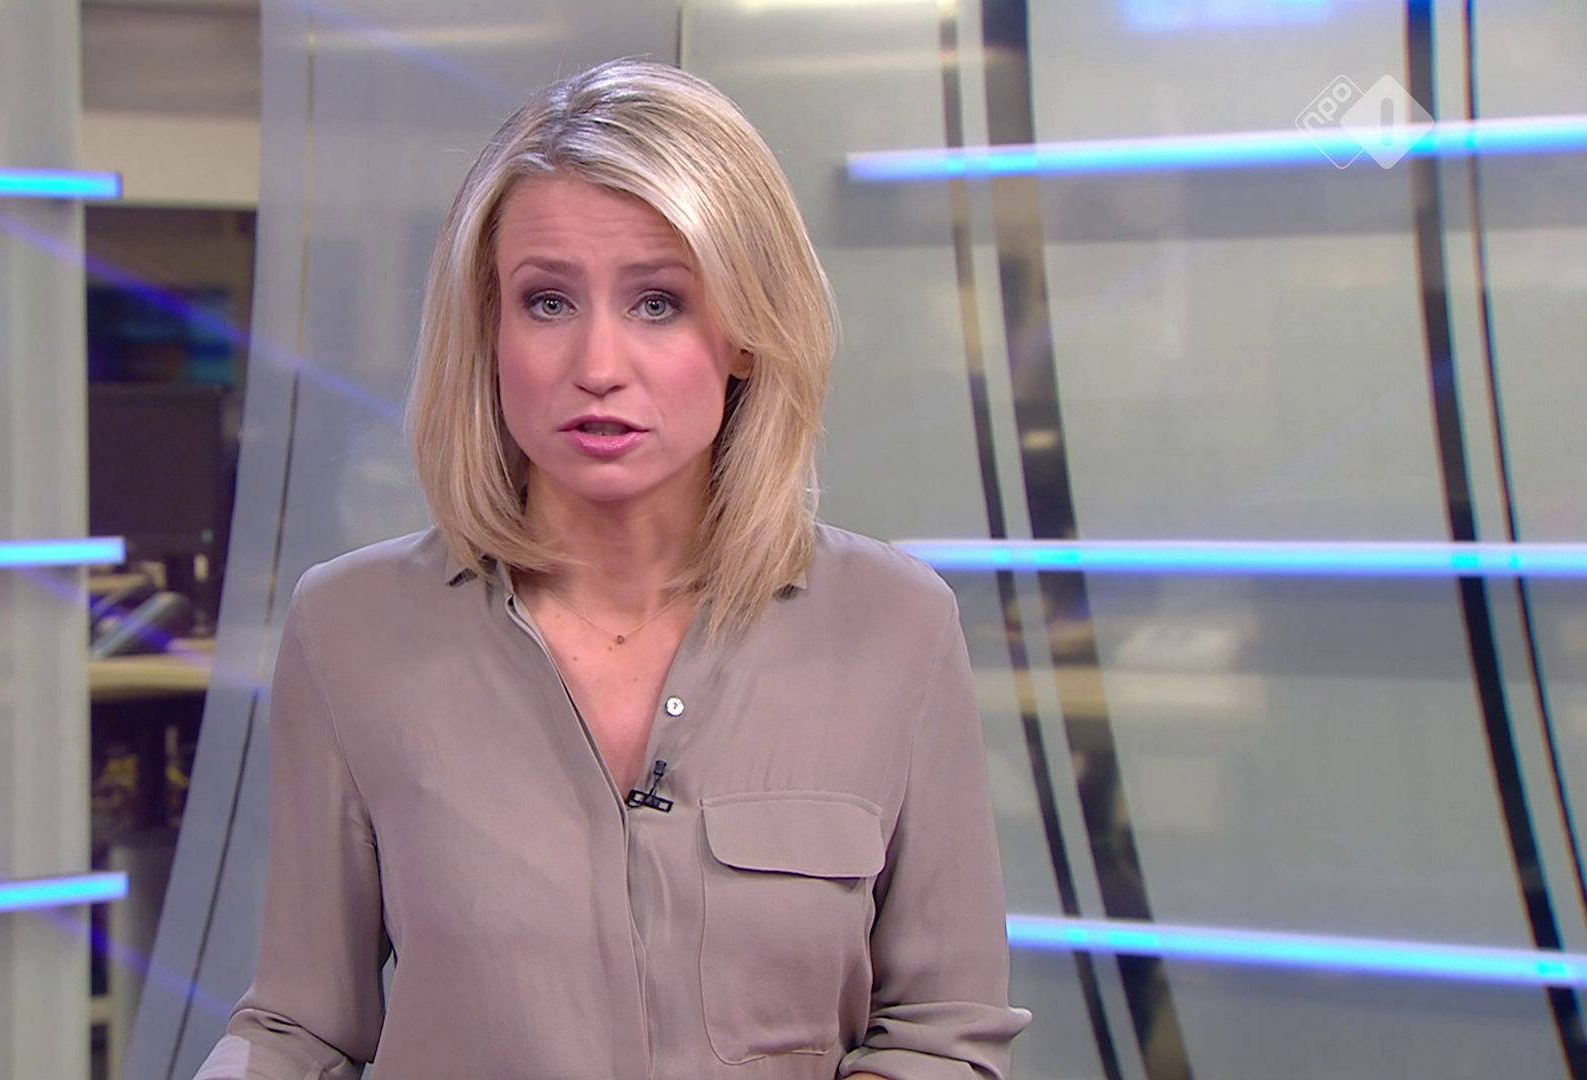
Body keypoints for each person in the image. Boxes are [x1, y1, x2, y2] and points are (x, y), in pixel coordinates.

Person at [194, 57, 1031, 1080]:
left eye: (658, 303)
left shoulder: (896, 627)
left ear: (746, 333)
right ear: (489, 331)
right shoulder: (351, 630)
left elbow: (943, 1033)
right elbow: (302, 1027)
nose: (597, 365)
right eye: (547, 302)